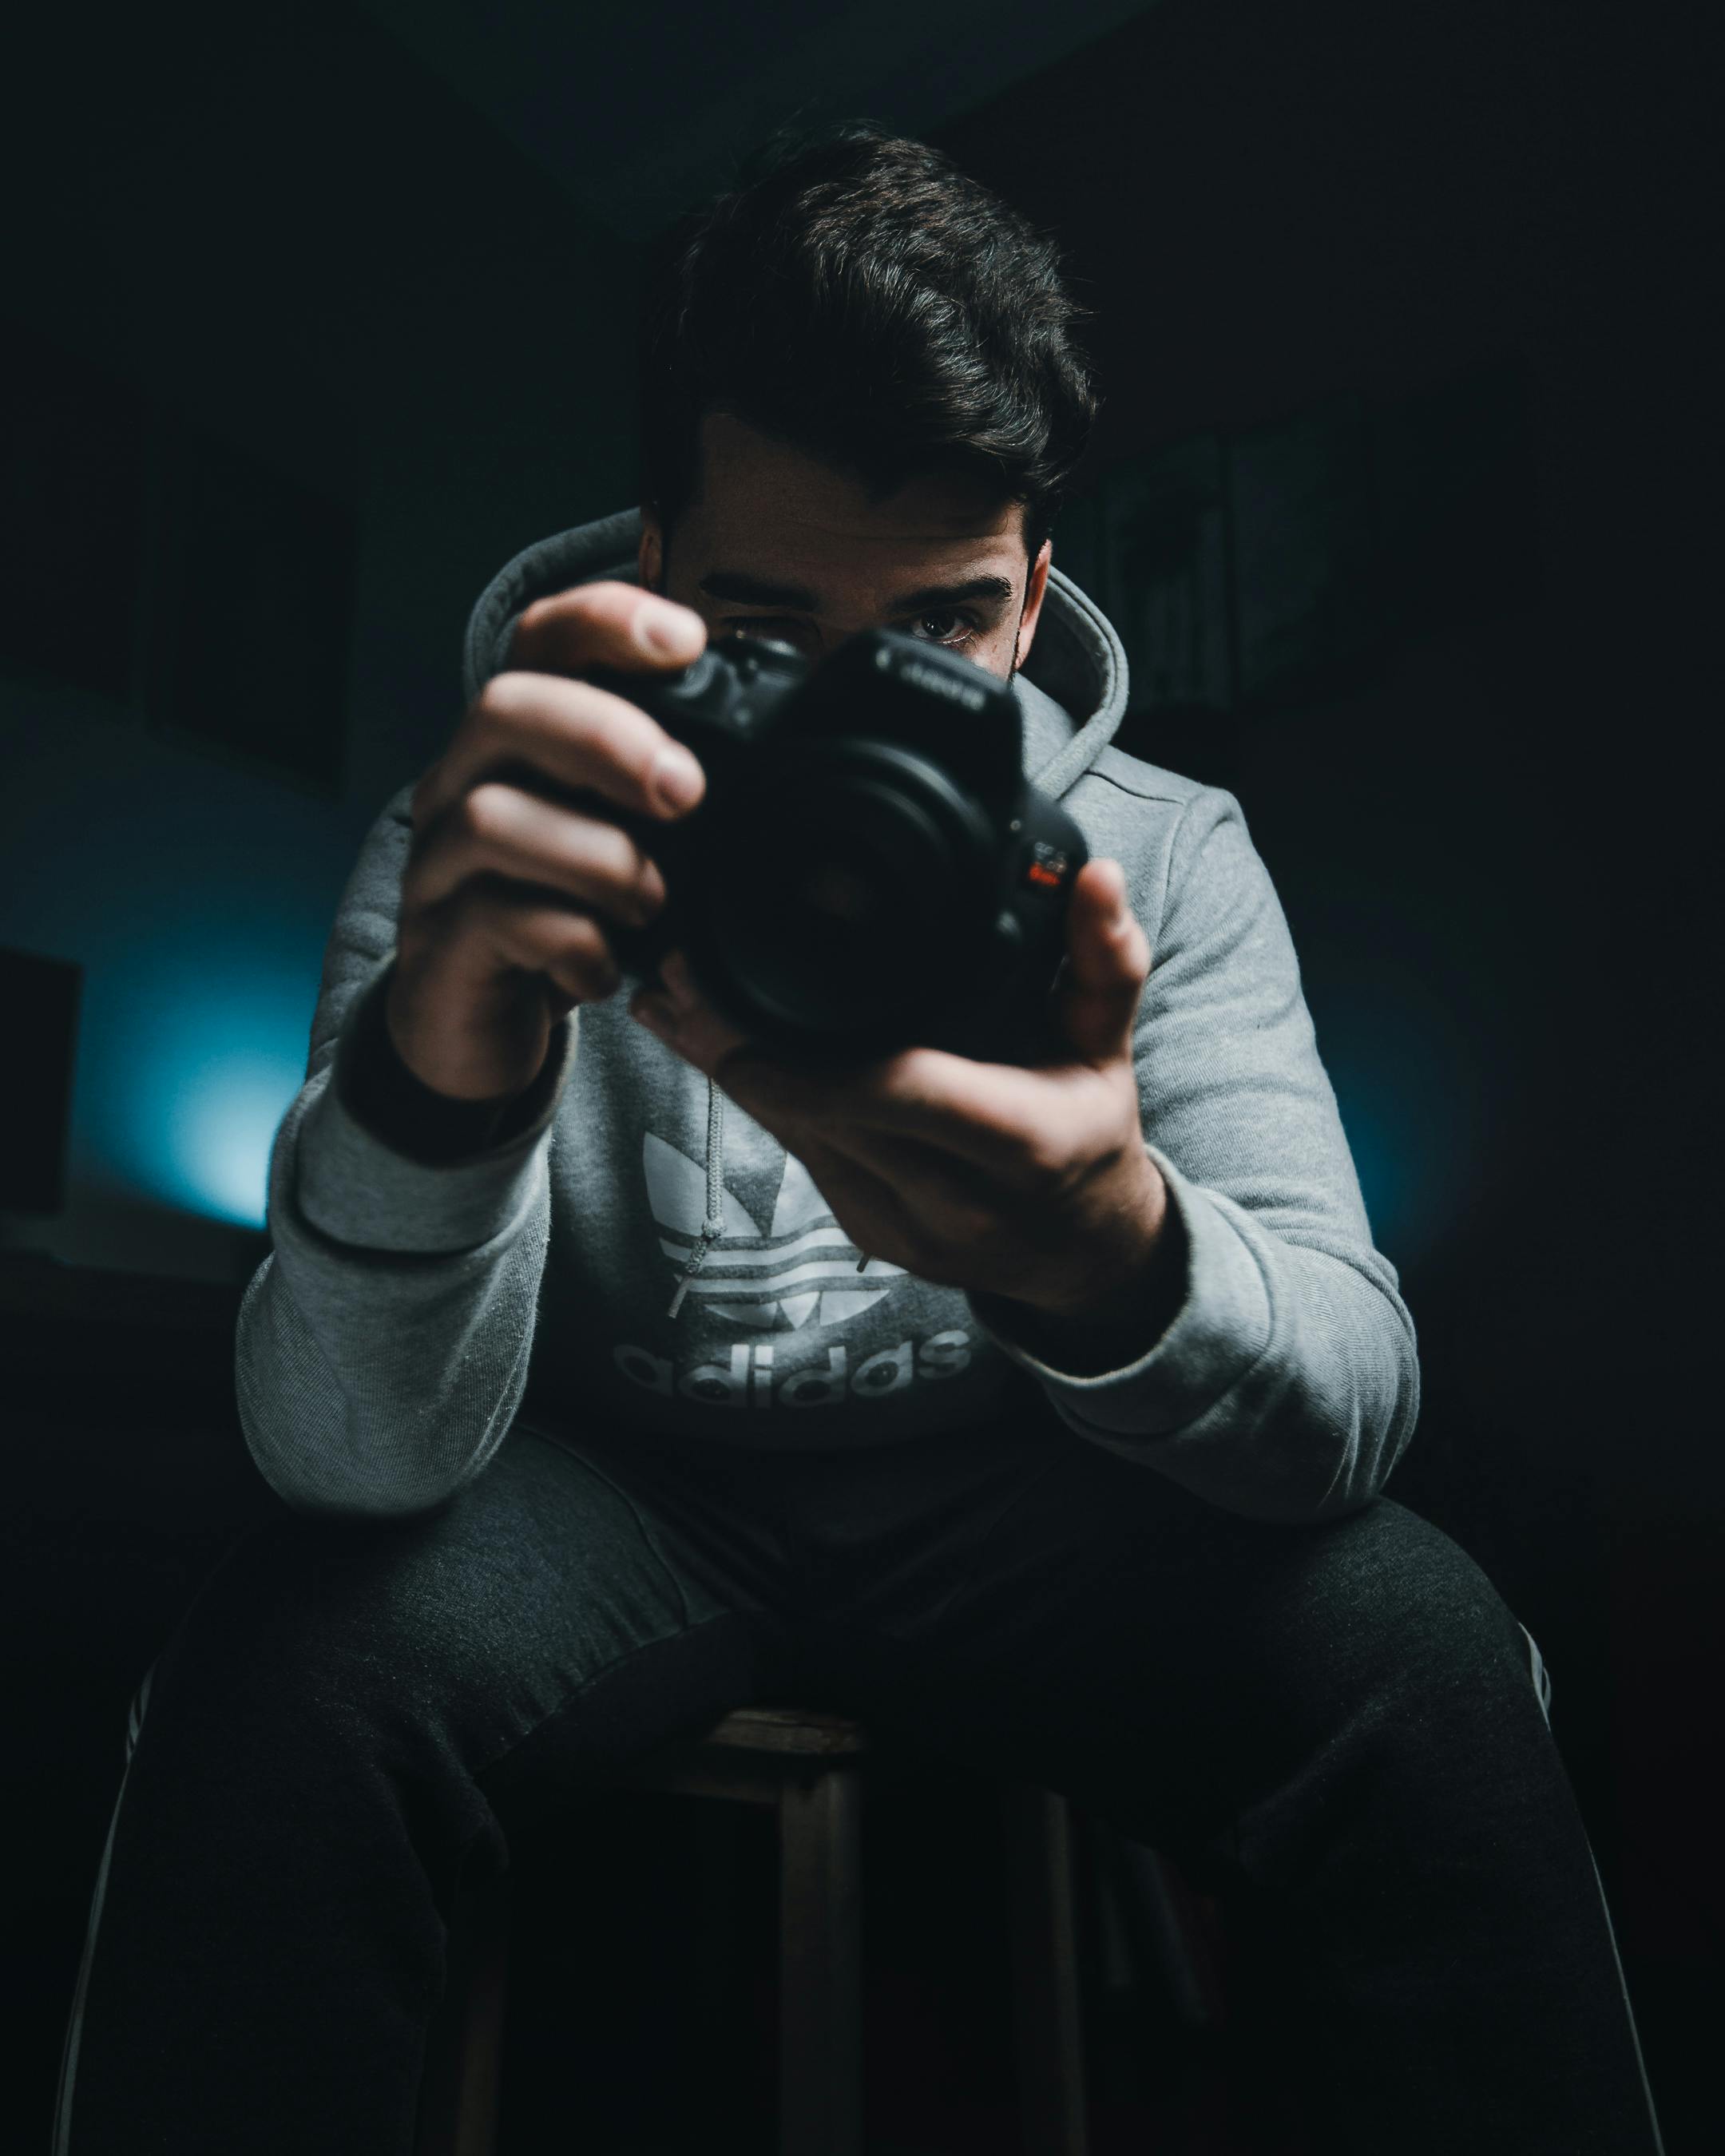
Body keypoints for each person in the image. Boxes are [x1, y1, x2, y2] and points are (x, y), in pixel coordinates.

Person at [54, 124, 1664, 2154]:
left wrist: (1108, 1249)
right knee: (280, 1677)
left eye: (942, 631)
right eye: (764, 626)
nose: (851, 713)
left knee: (1420, 1646)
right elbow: (349, 1461)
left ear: (1034, 592)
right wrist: (434, 1092)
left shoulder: (1165, 857)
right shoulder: (491, 852)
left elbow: (1348, 1401)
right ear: (652, 571)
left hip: (1033, 1492)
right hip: (609, 1498)